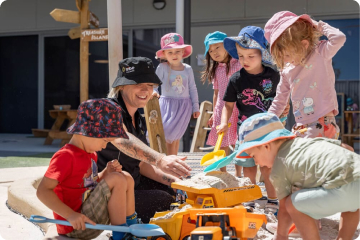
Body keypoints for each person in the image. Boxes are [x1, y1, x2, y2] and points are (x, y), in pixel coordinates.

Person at [233, 112, 360, 240]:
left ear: (266, 146)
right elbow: (348, 148)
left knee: (292, 204)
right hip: (357, 176)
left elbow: (284, 209)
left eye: (253, 156)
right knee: (351, 204)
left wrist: (281, 234)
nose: (255, 162)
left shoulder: (279, 167)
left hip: (342, 190)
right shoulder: (307, 142)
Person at [97, 57, 192, 223]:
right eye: (138, 84)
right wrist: (160, 159)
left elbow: (141, 164)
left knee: (180, 192)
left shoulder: (137, 117)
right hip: (106, 191)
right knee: (165, 202)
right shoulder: (106, 109)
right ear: (121, 86)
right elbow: (122, 139)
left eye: (149, 85)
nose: (145, 90)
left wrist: (176, 181)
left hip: (132, 183)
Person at [37, 99, 138, 240]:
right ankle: (120, 235)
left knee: (126, 176)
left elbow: (91, 185)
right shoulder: (66, 156)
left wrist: (106, 173)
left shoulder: (91, 154)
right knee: (117, 179)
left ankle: (133, 228)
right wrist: (70, 215)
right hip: (76, 226)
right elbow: (42, 191)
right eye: (105, 141)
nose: (104, 147)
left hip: (89, 218)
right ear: (88, 132)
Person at [217, 26, 287, 214]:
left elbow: (284, 98)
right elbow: (229, 105)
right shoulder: (236, 79)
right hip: (246, 131)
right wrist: (224, 122)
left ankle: (272, 199)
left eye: (251, 56)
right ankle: (251, 197)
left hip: (269, 132)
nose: (245, 61)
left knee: (267, 167)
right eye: (241, 56)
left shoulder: (274, 75)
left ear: (262, 54)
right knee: (247, 167)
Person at [264, 11, 346, 139]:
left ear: (304, 44)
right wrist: (266, 122)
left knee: (319, 157)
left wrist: (317, 25)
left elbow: (339, 38)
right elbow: (279, 101)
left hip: (323, 123)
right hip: (300, 126)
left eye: (287, 55)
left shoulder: (320, 53)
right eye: (281, 57)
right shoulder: (287, 70)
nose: (285, 60)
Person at [201, 31, 242, 175]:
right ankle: (223, 172)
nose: (214, 52)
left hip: (238, 107)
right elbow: (216, 93)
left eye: (217, 47)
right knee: (222, 141)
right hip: (221, 108)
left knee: (236, 141)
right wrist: (213, 113)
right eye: (210, 51)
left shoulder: (239, 63)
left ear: (227, 46)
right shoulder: (217, 69)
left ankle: (239, 173)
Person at [155, 33, 200, 155]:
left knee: (176, 137)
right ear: (164, 54)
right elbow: (154, 84)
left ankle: (174, 161)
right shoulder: (162, 67)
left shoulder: (187, 69)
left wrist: (196, 106)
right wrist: (154, 93)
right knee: (168, 135)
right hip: (167, 105)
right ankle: (170, 164)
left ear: (183, 52)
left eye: (177, 51)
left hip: (184, 106)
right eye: (170, 52)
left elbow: (192, 88)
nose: (174, 55)